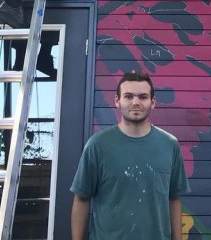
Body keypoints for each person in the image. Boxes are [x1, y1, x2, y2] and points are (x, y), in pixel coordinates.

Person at [70, 71, 190, 240]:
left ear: (152, 102)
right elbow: (81, 199)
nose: (135, 102)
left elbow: (174, 199)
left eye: (142, 97)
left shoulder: (170, 145)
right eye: (128, 96)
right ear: (117, 101)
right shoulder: (97, 146)